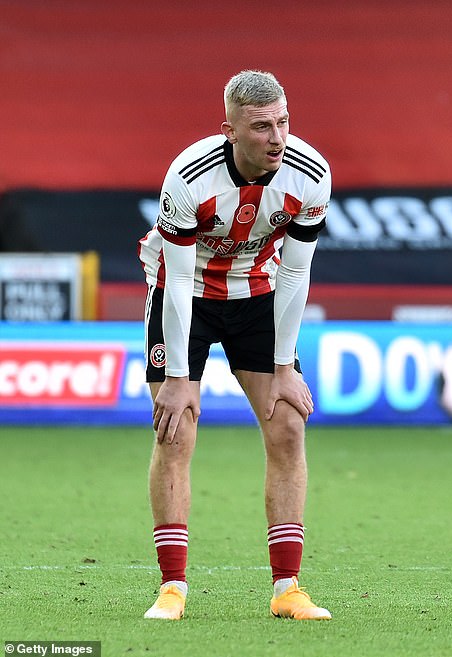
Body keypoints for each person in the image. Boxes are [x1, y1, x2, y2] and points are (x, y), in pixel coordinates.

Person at [138, 70, 332, 618]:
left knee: (289, 423)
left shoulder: (310, 173)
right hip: (187, 294)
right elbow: (175, 280)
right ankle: (172, 588)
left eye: (284, 122)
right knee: (176, 431)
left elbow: (295, 273)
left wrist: (284, 365)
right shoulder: (188, 176)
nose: (277, 138)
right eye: (262, 126)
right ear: (230, 130)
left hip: (259, 292)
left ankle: (287, 590)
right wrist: (178, 378)